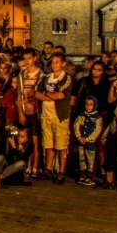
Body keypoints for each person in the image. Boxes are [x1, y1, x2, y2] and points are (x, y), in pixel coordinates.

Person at [34, 52, 73, 184]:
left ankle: (61, 172)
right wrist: (48, 95)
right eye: (53, 62)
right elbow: (37, 94)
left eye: (57, 62)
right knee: (48, 144)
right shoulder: (46, 77)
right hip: (46, 114)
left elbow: (60, 95)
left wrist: (46, 93)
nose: (54, 65)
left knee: (61, 145)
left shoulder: (66, 78)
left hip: (59, 116)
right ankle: (48, 169)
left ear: (63, 64)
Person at [17, 48, 44, 177]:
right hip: (25, 110)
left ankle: (36, 165)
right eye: (25, 58)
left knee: (35, 140)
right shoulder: (21, 75)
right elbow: (19, 95)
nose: (27, 61)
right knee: (25, 139)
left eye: (29, 58)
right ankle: (27, 164)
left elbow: (40, 94)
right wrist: (20, 112)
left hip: (36, 111)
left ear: (35, 58)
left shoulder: (41, 74)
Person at [74, 96, 102, 186]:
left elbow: (98, 130)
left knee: (91, 159)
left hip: (90, 142)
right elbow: (76, 126)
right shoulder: (81, 115)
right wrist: (79, 137)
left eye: (91, 105)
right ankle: (82, 174)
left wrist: (89, 139)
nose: (88, 106)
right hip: (81, 141)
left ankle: (91, 176)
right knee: (82, 158)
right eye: (87, 104)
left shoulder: (97, 117)